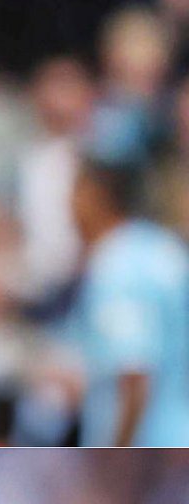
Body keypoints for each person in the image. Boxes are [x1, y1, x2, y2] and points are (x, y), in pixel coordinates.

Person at [70, 155, 189, 445]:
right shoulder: (164, 248)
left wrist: (117, 454)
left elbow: (135, 372)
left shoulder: (116, 265)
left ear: (93, 197)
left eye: (74, 192)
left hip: (150, 446)